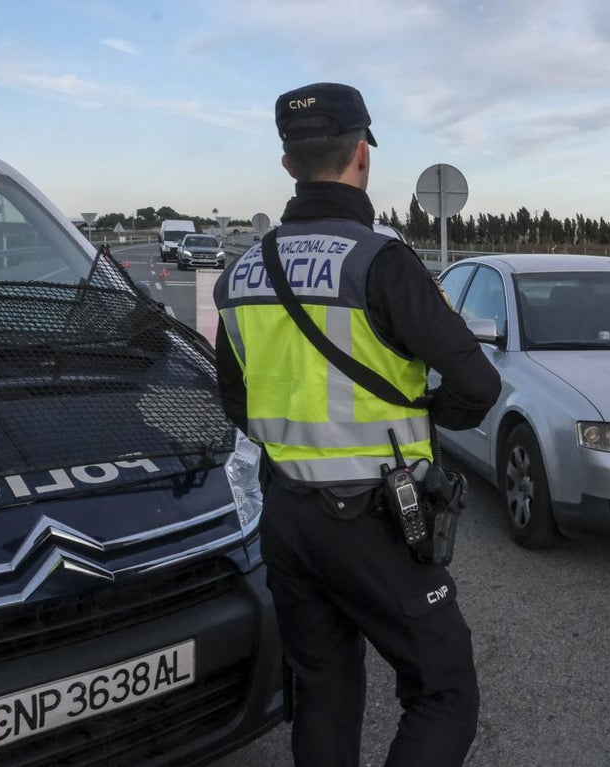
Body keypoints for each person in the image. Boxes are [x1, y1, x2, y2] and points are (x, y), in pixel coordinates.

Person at [212, 82, 501, 766]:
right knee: (443, 689)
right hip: (378, 517)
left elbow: (236, 401)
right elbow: (477, 382)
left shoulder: (242, 272)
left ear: (288, 165)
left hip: (287, 516)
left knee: (324, 691)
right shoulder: (381, 261)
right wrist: (425, 418)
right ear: (362, 155)